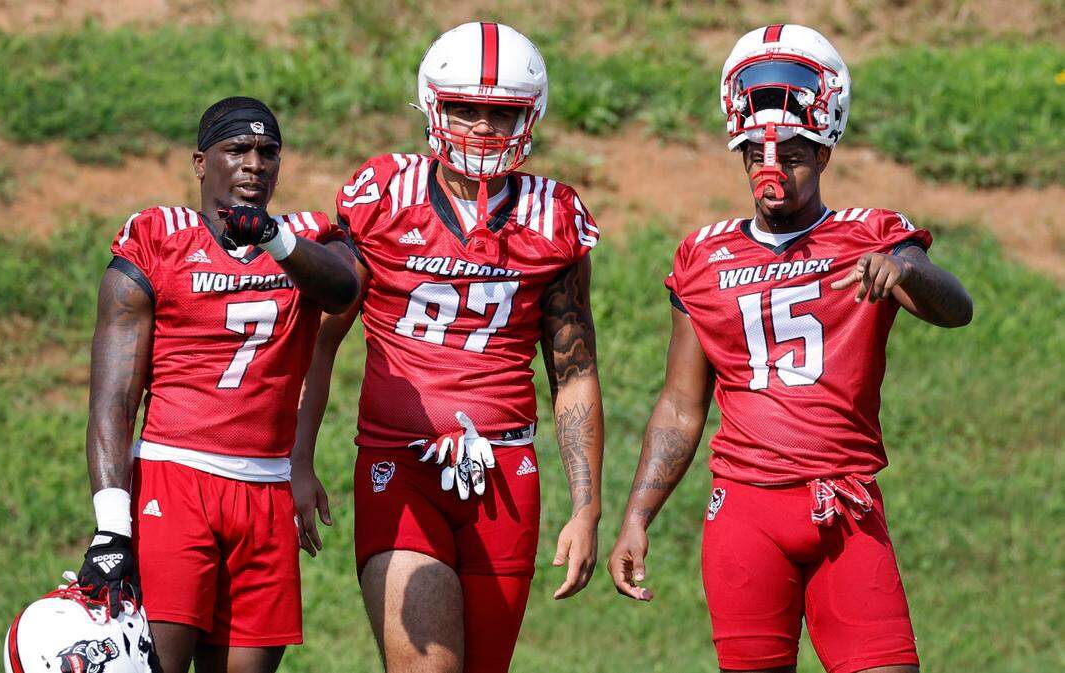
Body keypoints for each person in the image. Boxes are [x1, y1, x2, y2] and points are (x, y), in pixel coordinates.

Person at [607, 24, 973, 673]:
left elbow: (957, 309)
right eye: (756, 153)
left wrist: (908, 270)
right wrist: (638, 514)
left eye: (793, 154)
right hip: (746, 514)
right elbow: (680, 405)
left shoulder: (872, 234)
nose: (772, 168)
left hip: (846, 508)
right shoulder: (703, 255)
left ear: (825, 152)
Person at [292, 22, 605, 673]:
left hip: (506, 480)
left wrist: (587, 502)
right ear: (434, 104)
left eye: (502, 111)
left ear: (532, 114)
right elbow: (319, 344)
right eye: (466, 106)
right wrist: (295, 459)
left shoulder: (553, 216)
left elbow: (572, 371)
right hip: (398, 468)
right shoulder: (383, 198)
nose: (484, 126)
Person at [77, 96, 360, 673]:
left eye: (268, 152)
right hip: (174, 478)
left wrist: (275, 242)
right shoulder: (159, 239)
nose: (255, 164)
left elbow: (343, 289)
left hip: (265, 492)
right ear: (201, 162)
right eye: (238, 150)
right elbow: (112, 400)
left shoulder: (304, 239)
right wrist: (111, 528)